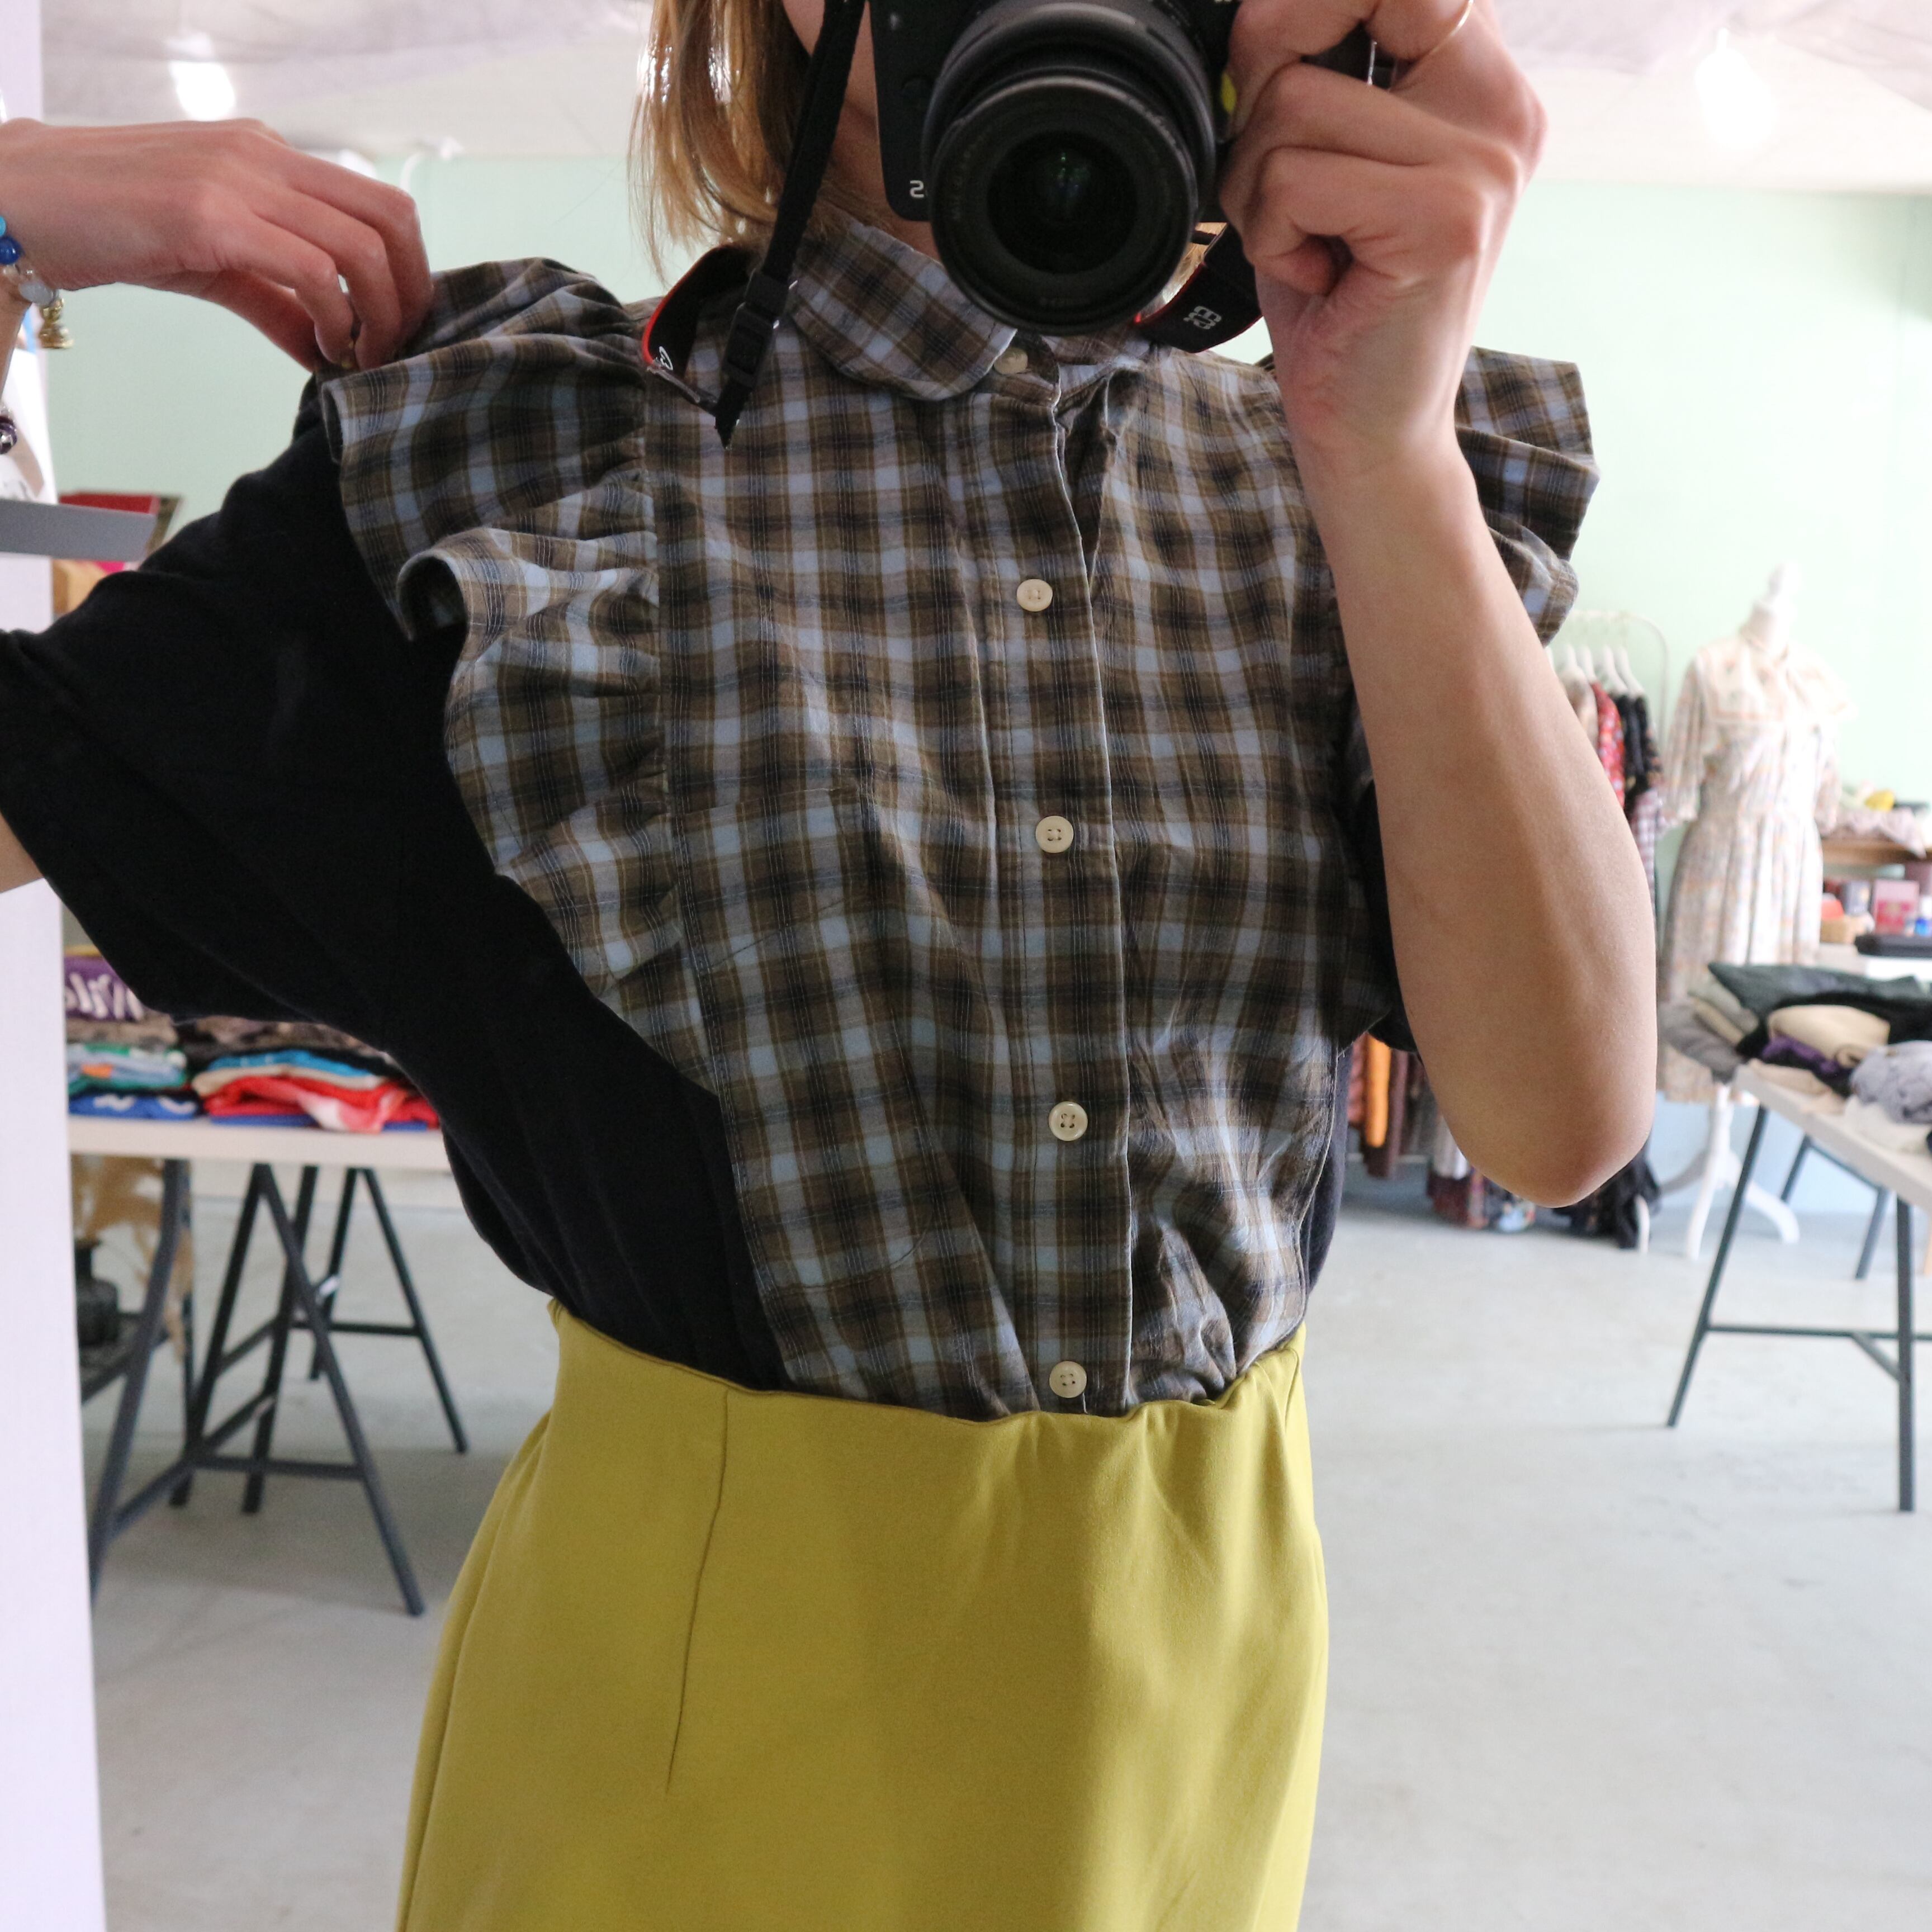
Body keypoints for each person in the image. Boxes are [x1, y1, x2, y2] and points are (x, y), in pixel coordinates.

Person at [0, 1, 1655, 1924]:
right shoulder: (497, 468)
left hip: (1184, 1807)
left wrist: (1385, 444)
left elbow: (1561, 1125)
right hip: (667, 1825)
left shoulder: (1350, 489)